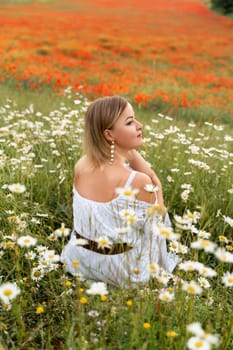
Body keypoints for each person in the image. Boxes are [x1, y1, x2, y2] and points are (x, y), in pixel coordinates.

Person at [61, 96, 179, 287]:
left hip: (77, 259)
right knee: (153, 219)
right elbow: (156, 233)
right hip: (119, 271)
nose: (139, 125)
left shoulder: (82, 165)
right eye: (130, 122)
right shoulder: (138, 181)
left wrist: (128, 153)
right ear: (109, 135)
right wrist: (156, 184)